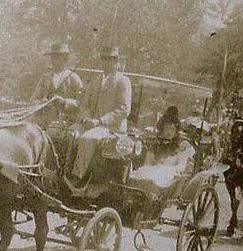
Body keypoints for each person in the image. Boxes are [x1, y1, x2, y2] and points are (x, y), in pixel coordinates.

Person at [68, 46, 132, 185]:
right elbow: (84, 104)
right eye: (104, 59)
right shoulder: (95, 81)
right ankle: (62, 171)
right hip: (91, 123)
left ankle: (77, 177)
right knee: (69, 133)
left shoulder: (122, 81)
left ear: (116, 62)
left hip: (112, 128)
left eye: (110, 59)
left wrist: (99, 121)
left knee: (87, 139)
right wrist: (86, 119)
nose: (106, 62)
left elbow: (124, 109)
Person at [129, 105, 195, 195]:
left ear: (176, 131)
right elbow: (148, 162)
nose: (169, 132)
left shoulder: (182, 146)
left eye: (172, 129)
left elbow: (181, 166)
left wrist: (165, 169)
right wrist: (152, 167)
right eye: (167, 128)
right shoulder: (155, 144)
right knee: (138, 175)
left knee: (156, 176)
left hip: (171, 175)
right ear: (162, 129)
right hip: (154, 169)